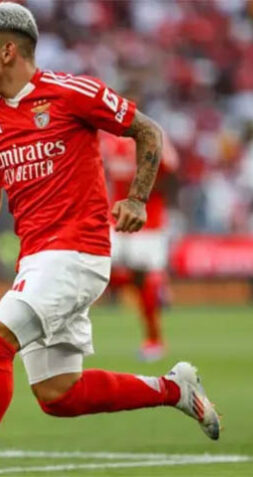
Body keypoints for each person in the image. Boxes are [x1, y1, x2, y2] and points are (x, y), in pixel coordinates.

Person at [0, 3, 220, 476]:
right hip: (37, 260)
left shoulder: (71, 93)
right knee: (59, 395)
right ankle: (175, 389)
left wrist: (137, 199)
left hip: (76, 254)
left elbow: (147, 131)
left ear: (7, 52)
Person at [100, 129, 179, 361]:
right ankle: (152, 285)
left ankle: (154, 340)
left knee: (147, 278)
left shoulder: (154, 135)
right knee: (95, 270)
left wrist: (145, 193)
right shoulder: (107, 138)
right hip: (115, 218)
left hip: (148, 222)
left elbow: (172, 173)